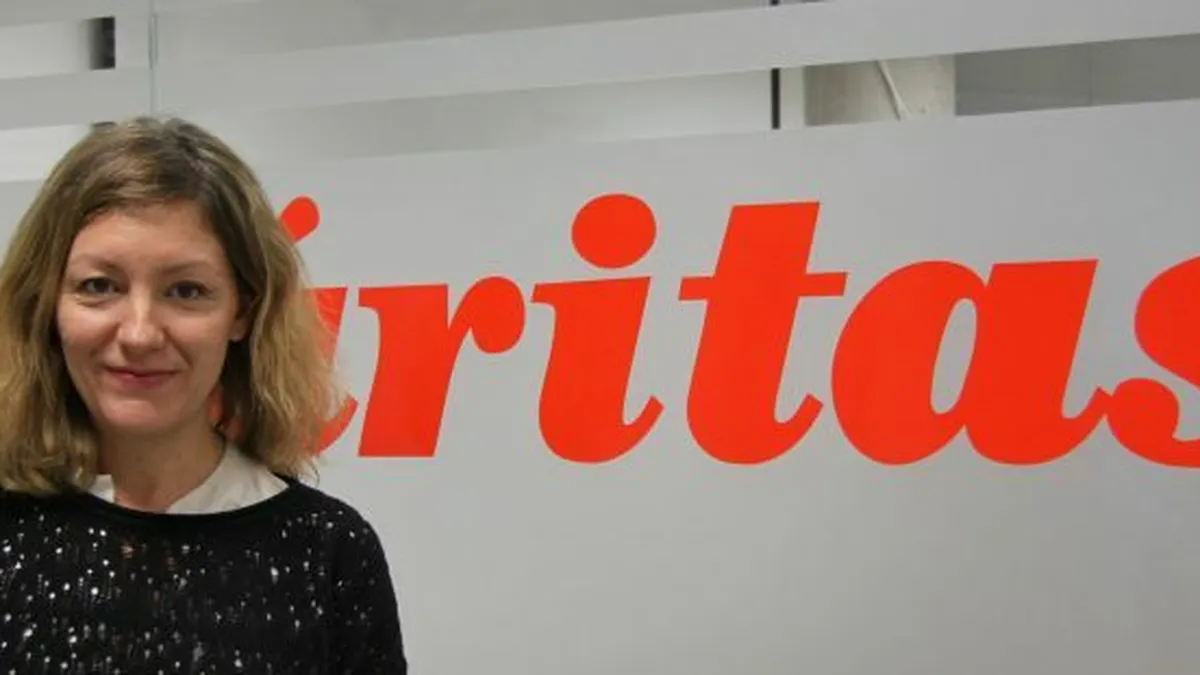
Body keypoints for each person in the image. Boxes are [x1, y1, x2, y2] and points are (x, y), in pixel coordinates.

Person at [0, 117, 408, 673]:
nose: (139, 333)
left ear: (243, 310)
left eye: (186, 291)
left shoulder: (327, 555)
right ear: (47, 301)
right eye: (100, 286)